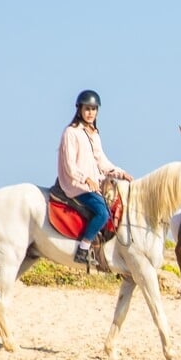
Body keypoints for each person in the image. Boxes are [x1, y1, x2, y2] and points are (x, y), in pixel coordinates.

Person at [57, 89, 132, 265]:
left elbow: (102, 162)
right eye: (87, 109)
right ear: (79, 110)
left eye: (94, 109)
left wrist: (120, 172)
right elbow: (69, 165)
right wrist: (86, 179)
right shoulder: (71, 132)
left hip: (92, 185)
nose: (90, 113)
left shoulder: (94, 134)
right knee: (103, 212)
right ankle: (83, 248)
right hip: (76, 185)